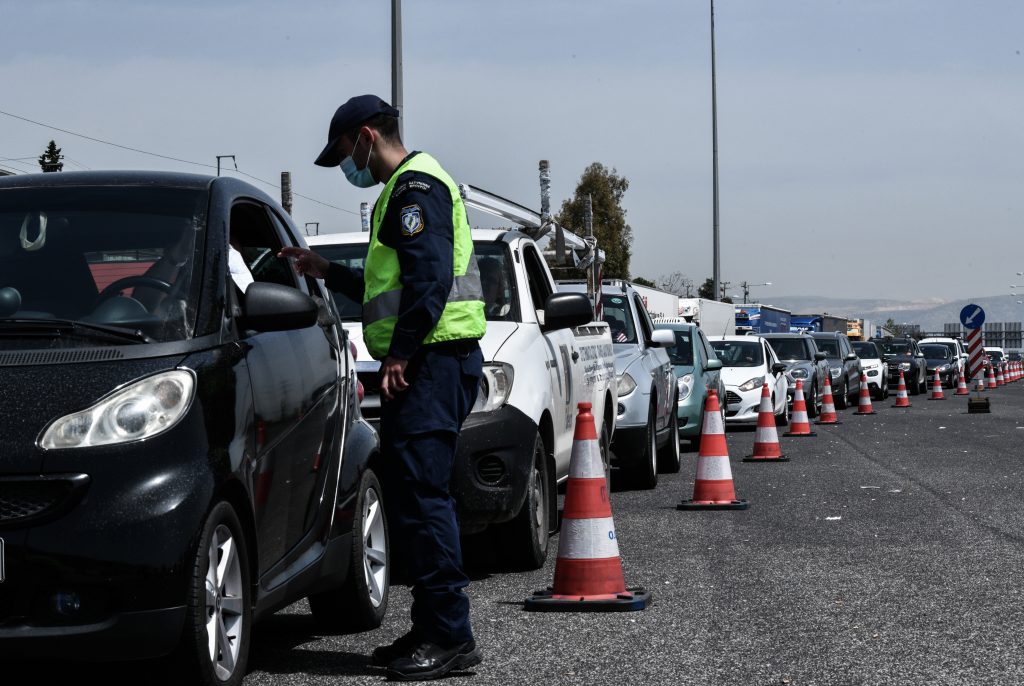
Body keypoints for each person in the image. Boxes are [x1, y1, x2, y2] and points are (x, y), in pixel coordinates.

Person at [278, 94, 486, 681]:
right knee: (414, 499)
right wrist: (328, 271)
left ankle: (450, 636)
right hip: (430, 363)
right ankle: (431, 627)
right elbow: (387, 283)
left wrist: (400, 354)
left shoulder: (416, 189)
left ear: (365, 137)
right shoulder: (403, 191)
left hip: (432, 364)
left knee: (425, 498)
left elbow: (429, 280)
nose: (345, 166)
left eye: (344, 152)